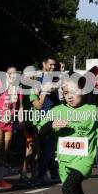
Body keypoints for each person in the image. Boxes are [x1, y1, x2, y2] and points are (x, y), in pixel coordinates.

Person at [29, 54, 61, 183]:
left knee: (51, 147)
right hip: (42, 118)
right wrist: (43, 91)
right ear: (44, 64)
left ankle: (52, 173)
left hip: (54, 116)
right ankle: (40, 174)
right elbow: (36, 103)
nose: (53, 67)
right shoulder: (37, 79)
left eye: (54, 65)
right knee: (44, 148)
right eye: (50, 64)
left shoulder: (53, 78)